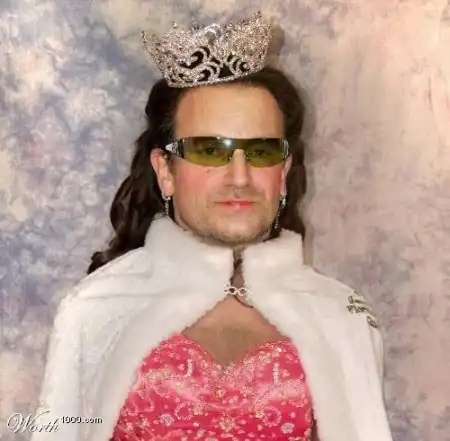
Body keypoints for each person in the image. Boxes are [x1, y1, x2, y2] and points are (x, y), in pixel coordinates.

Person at [32, 12, 393, 441]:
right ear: (165, 171)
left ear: (282, 172)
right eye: (208, 150)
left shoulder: (340, 315)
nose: (239, 177)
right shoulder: (95, 310)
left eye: (260, 151)